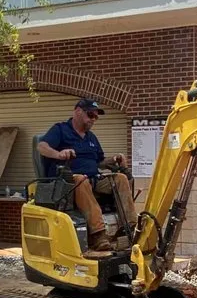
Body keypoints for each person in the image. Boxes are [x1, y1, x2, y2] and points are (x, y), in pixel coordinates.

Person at [37, 98, 138, 253]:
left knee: (120, 178)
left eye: (96, 117)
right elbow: (42, 147)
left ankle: (131, 227)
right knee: (80, 180)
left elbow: (99, 162)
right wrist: (59, 154)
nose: (93, 119)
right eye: (91, 115)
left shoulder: (91, 137)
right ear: (78, 111)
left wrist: (113, 159)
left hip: (94, 179)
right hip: (67, 182)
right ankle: (98, 234)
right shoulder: (60, 129)